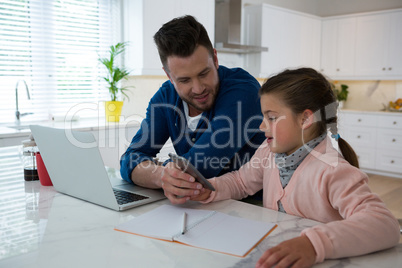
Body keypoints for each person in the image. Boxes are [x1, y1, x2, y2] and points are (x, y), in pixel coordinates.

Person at [172, 68, 400, 267]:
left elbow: (384, 224)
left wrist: (313, 244)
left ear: (305, 120)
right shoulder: (268, 152)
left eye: (271, 118)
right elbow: (241, 181)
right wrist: (208, 188)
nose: (262, 126)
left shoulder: (333, 170)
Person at [120, 15, 265, 200]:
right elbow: (130, 159)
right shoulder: (166, 96)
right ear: (169, 76)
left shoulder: (243, 92)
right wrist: (159, 176)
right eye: (184, 80)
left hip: (251, 209)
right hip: (195, 208)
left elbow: (199, 168)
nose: (198, 88)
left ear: (215, 58)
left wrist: (156, 171)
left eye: (204, 73)